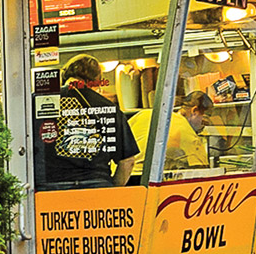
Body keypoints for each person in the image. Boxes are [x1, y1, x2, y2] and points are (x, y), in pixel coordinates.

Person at [42, 54, 138, 188]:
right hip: (96, 186)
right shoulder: (108, 108)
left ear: (64, 76)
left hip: (51, 188)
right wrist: (112, 189)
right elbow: (127, 161)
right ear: (96, 81)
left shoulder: (40, 103)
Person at [129, 89, 214, 174]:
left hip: (125, 179)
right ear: (194, 111)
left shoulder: (144, 115)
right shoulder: (184, 128)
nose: (203, 126)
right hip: (148, 180)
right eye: (204, 119)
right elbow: (203, 170)